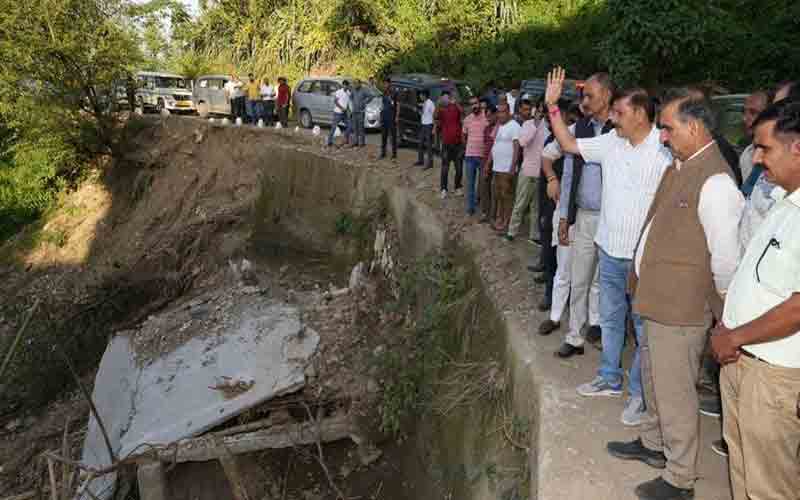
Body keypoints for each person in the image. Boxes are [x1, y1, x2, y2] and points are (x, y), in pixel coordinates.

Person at [606, 88, 744, 500]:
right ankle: (653, 443)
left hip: (681, 308)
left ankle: (680, 477)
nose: (662, 136)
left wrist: (722, 315)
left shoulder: (717, 181)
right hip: (656, 299)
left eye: (667, 128)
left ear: (694, 127)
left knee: (675, 390)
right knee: (653, 380)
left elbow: (726, 259)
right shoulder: (681, 165)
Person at [545, 68, 671, 427]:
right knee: (613, 319)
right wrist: (553, 108)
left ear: (640, 114)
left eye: (619, 113)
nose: (611, 118)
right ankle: (609, 377)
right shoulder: (612, 142)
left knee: (643, 328)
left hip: (642, 260)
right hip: (609, 249)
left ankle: (638, 394)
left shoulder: (663, 153)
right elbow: (568, 146)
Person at [710, 98, 800, 500]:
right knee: (744, 469)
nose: (758, 159)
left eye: (765, 148)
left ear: (797, 147)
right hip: (743, 361)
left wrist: (733, 336)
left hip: (773, 375)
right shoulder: (785, 202)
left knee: (770, 487)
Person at [539, 73, 614, 356]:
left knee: (602, 280)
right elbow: (568, 173)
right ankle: (574, 337)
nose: (584, 102)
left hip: (611, 219)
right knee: (577, 277)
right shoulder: (579, 129)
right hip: (582, 216)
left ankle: (600, 329)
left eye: (589, 96)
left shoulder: (619, 131)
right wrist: (564, 216)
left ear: (606, 96)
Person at [505, 99, 546, 242]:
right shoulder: (527, 125)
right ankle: (511, 232)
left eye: (542, 110)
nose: (540, 113)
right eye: (538, 110)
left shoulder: (548, 126)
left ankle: (534, 235)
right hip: (528, 171)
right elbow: (523, 142)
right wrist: (534, 125)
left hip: (542, 173)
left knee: (536, 207)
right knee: (520, 203)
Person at [486, 102, 521, 232]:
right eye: (499, 112)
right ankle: (500, 218)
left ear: (509, 112)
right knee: (499, 195)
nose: (500, 115)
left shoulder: (514, 126)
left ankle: (506, 222)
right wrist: (488, 164)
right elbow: (494, 146)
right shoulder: (500, 126)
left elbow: (517, 148)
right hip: (497, 167)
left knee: (507, 196)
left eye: (503, 112)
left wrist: (512, 167)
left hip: (507, 169)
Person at [738, 91, 770, 195]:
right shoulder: (747, 152)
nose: (744, 118)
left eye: (753, 112)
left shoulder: (780, 157)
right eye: (743, 112)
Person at [463, 96, 489, 215]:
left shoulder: (486, 117)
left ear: (479, 104)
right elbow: (463, 135)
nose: (474, 106)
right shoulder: (467, 119)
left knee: (483, 183)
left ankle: (484, 207)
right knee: (470, 183)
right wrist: (467, 147)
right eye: (471, 104)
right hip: (470, 155)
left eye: (476, 103)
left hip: (483, 156)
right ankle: (470, 207)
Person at [437, 91, 464, 199]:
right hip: (446, 144)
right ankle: (443, 189)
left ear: (450, 98)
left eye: (446, 98)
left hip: (458, 144)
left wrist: (456, 103)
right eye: (443, 98)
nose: (445, 100)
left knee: (459, 168)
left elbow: (463, 113)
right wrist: (438, 104)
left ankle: (457, 187)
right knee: (445, 168)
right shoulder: (441, 109)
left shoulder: (455, 107)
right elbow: (435, 116)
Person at [479, 102, 499, 223]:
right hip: (485, 160)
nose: (488, 119)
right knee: (484, 188)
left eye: (490, 116)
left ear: (495, 115)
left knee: (495, 190)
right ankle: (485, 213)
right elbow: (485, 145)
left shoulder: (500, 128)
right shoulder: (486, 128)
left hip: (496, 163)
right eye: (486, 117)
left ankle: (494, 214)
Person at [414, 90, 435, 169]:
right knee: (420, 143)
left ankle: (430, 163)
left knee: (429, 145)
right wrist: (418, 111)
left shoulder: (430, 103)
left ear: (425, 95)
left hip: (429, 125)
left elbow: (434, 115)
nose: (420, 96)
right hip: (423, 125)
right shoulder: (425, 103)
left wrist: (433, 127)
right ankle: (421, 160)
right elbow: (424, 114)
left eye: (421, 95)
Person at [379, 78, 399, 160]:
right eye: (384, 84)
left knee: (393, 136)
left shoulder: (394, 93)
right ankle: (383, 153)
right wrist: (381, 115)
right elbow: (383, 104)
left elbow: (398, 105)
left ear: (389, 84)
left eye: (386, 83)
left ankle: (394, 154)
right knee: (384, 135)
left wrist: (397, 116)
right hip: (384, 116)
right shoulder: (384, 93)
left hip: (391, 116)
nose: (384, 85)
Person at [327, 80, 351, 147]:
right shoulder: (339, 92)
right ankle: (329, 141)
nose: (345, 86)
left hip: (345, 113)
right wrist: (341, 108)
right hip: (338, 112)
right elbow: (335, 101)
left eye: (346, 85)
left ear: (348, 86)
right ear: (343, 85)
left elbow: (347, 103)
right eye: (344, 85)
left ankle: (346, 139)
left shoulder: (348, 93)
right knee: (334, 127)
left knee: (350, 126)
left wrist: (349, 111)